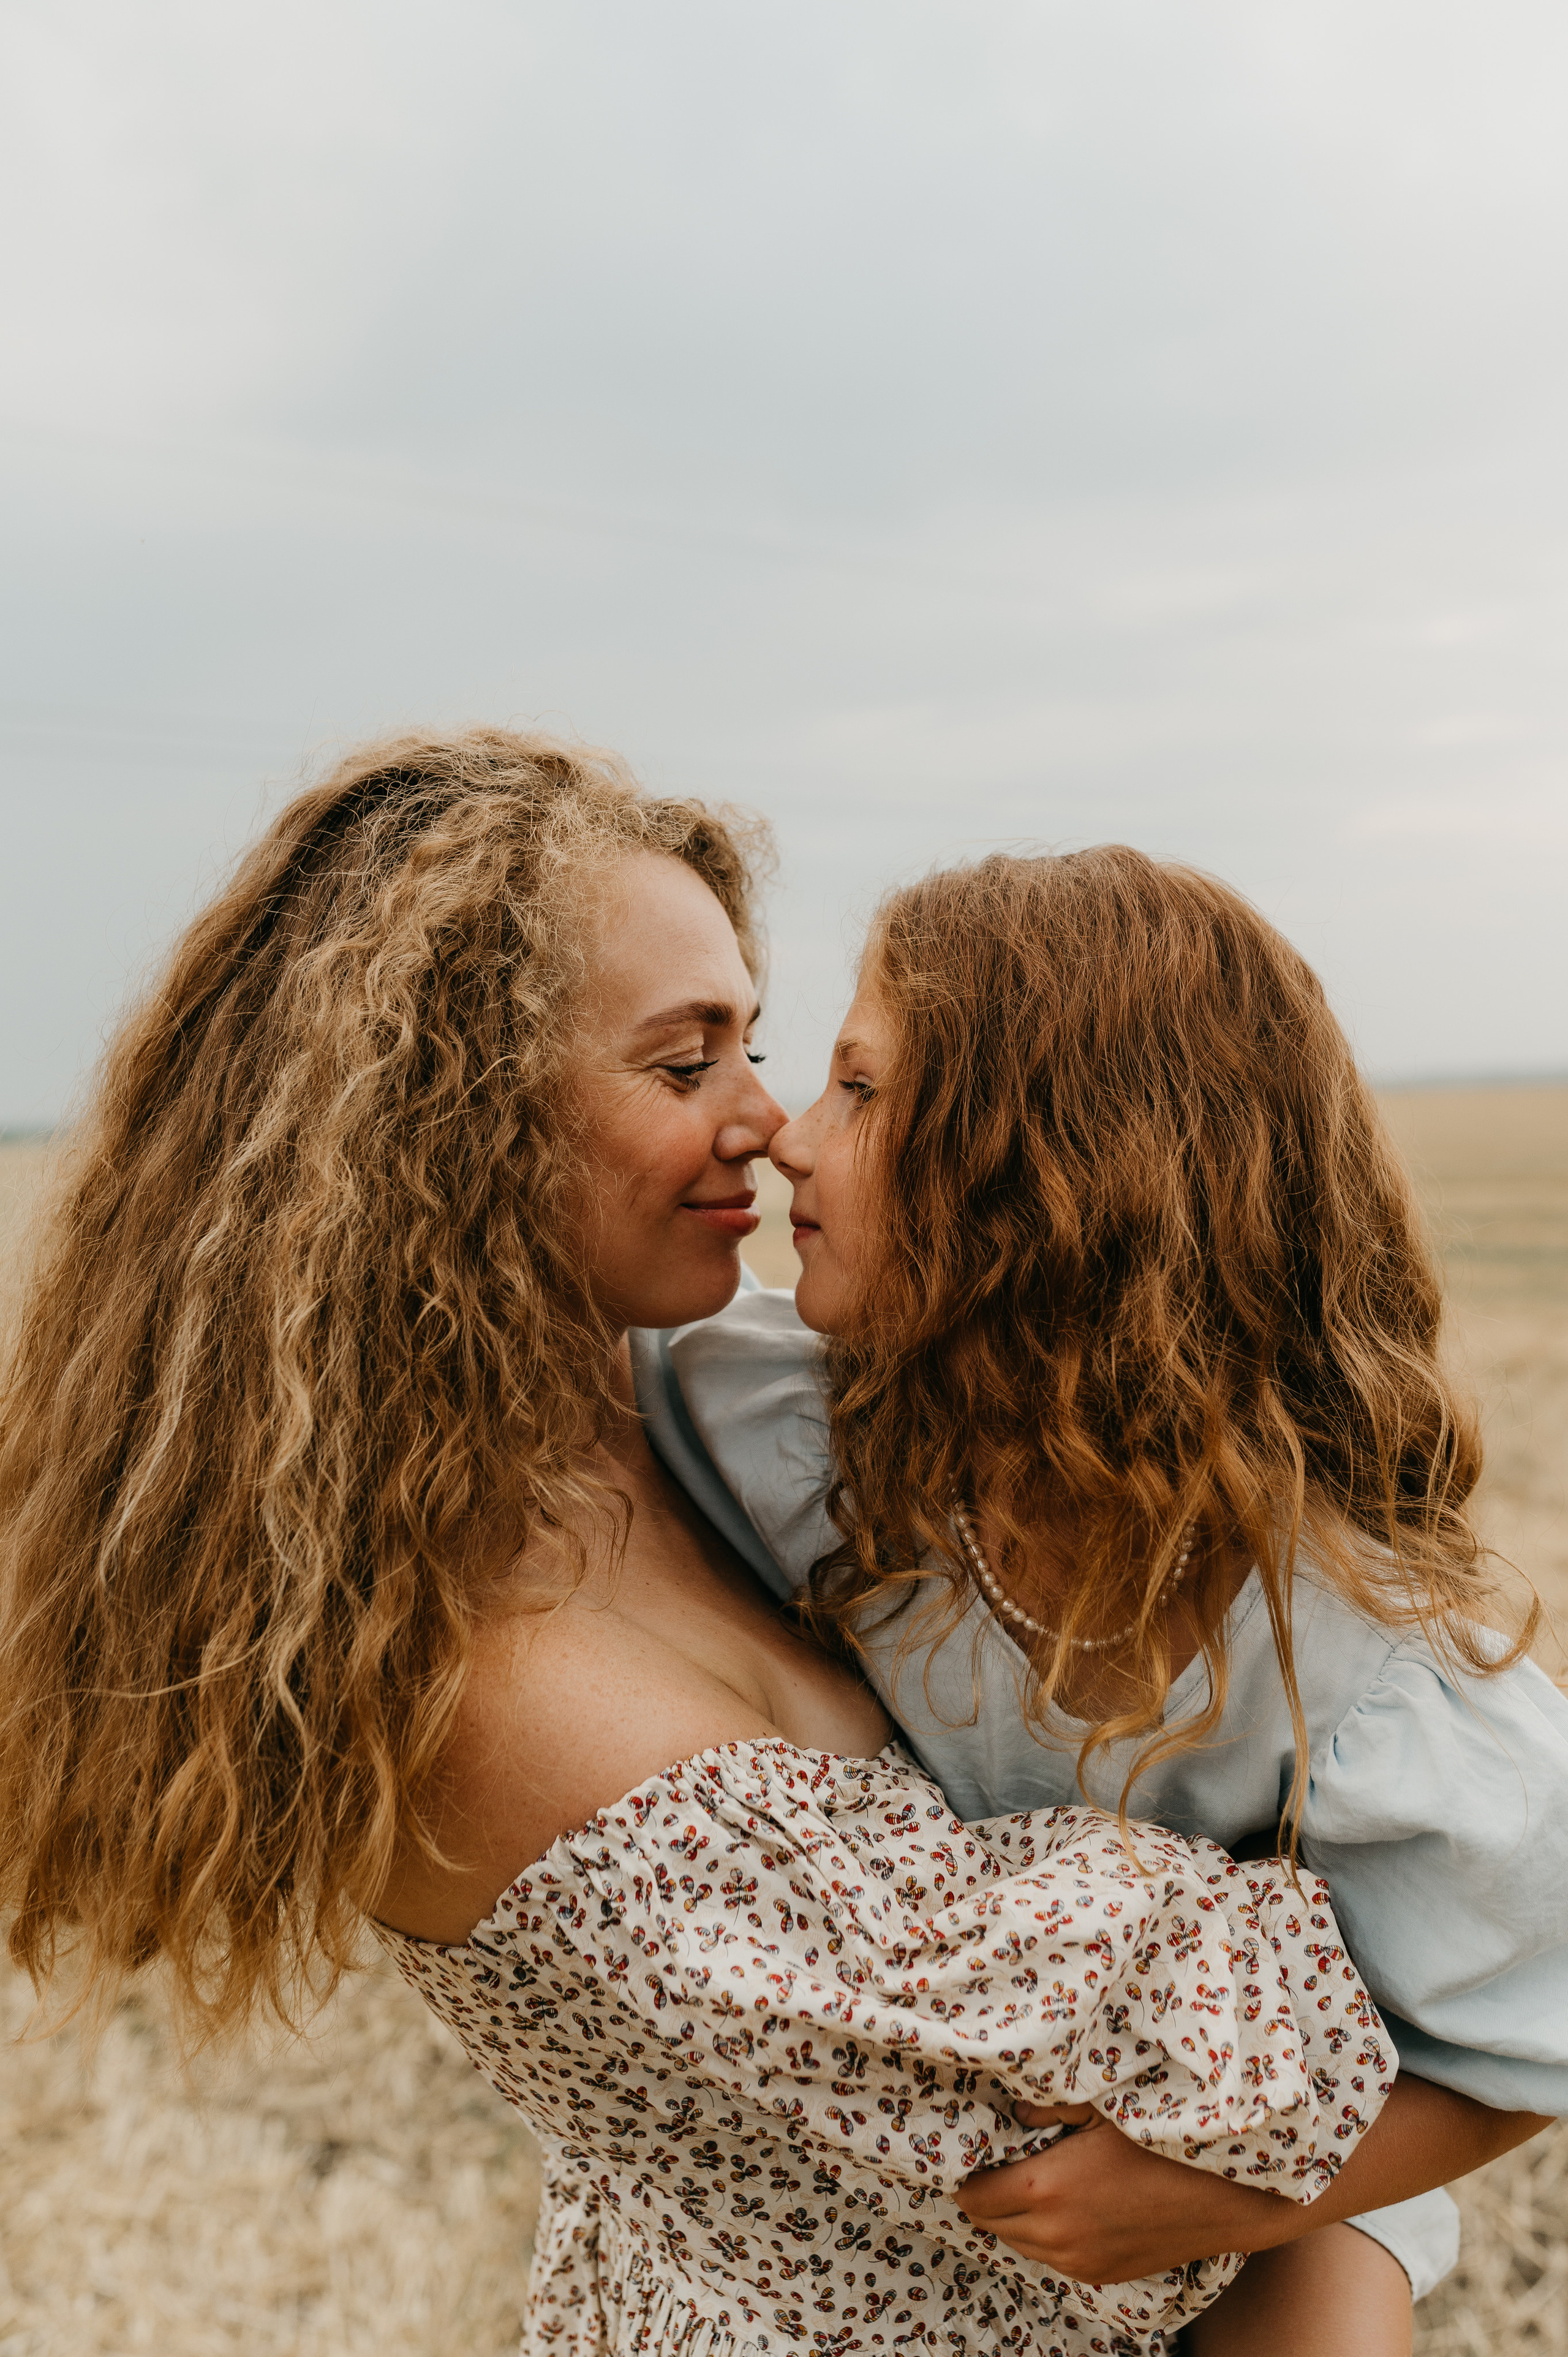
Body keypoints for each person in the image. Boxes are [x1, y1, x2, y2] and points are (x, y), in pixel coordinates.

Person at [0, 749, 1396, 2357]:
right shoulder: (486, 1676)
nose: (772, 1123)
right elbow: (1216, 2090)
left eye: (766, 1045)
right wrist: (1363, 2220)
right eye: (685, 1066)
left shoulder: (695, 1414)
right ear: (445, 1130)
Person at [632, 845, 1568, 2356]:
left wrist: (1227, 2204)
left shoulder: (1338, 1641)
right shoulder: (776, 1420)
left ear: (1047, 1185)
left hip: (1262, 2152)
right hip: (910, 2143)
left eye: (858, 1092)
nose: (789, 1143)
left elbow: (1527, 2030)